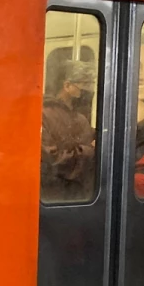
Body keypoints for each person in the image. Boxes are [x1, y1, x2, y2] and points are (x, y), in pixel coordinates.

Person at [40, 60, 97, 202]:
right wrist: (90, 151)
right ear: (67, 85)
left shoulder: (80, 118)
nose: (90, 90)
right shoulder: (43, 115)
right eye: (85, 84)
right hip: (54, 198)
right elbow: (50, 160)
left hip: (82, 197)